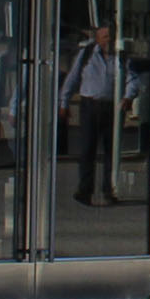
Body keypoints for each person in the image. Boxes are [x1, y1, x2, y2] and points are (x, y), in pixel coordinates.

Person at [60, 23, 134, 206]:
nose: (107, 40)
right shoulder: (87, 55)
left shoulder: (121, 57)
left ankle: (109, 190)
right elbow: (73, 77)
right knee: (87, 149)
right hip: (89, 105)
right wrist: (64, 102)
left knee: (111, 151)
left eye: (110, 37)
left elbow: (133, 79)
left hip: (111, 107)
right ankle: (85, 190)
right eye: (104, 37)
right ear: (97, 39)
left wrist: (128, 96)